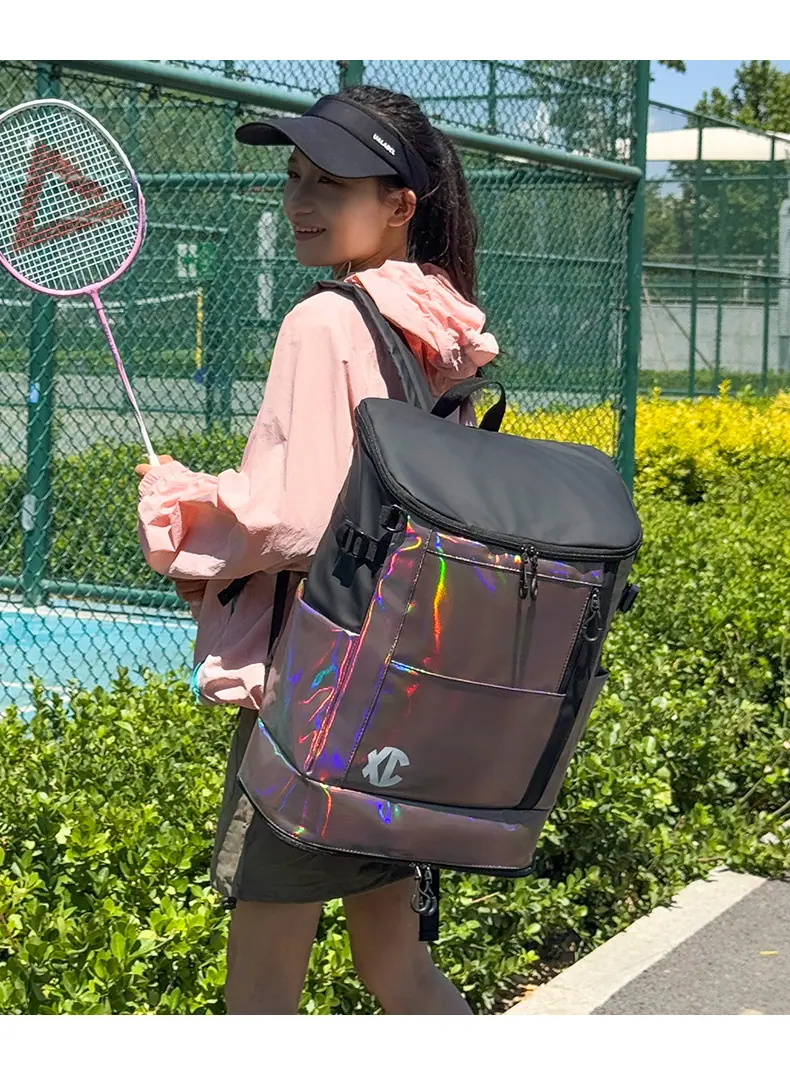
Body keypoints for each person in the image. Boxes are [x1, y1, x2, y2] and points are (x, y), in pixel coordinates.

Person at [135, 84, 498, 1015]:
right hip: (410, 684)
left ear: (398, 205)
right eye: (295, 176)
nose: (300, 201)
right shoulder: (438, 318)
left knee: (260, 991)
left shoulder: (325, 318)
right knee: (398, 970)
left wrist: (179, 513)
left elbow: (291, 522)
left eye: (330, 183)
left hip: (319, 691)